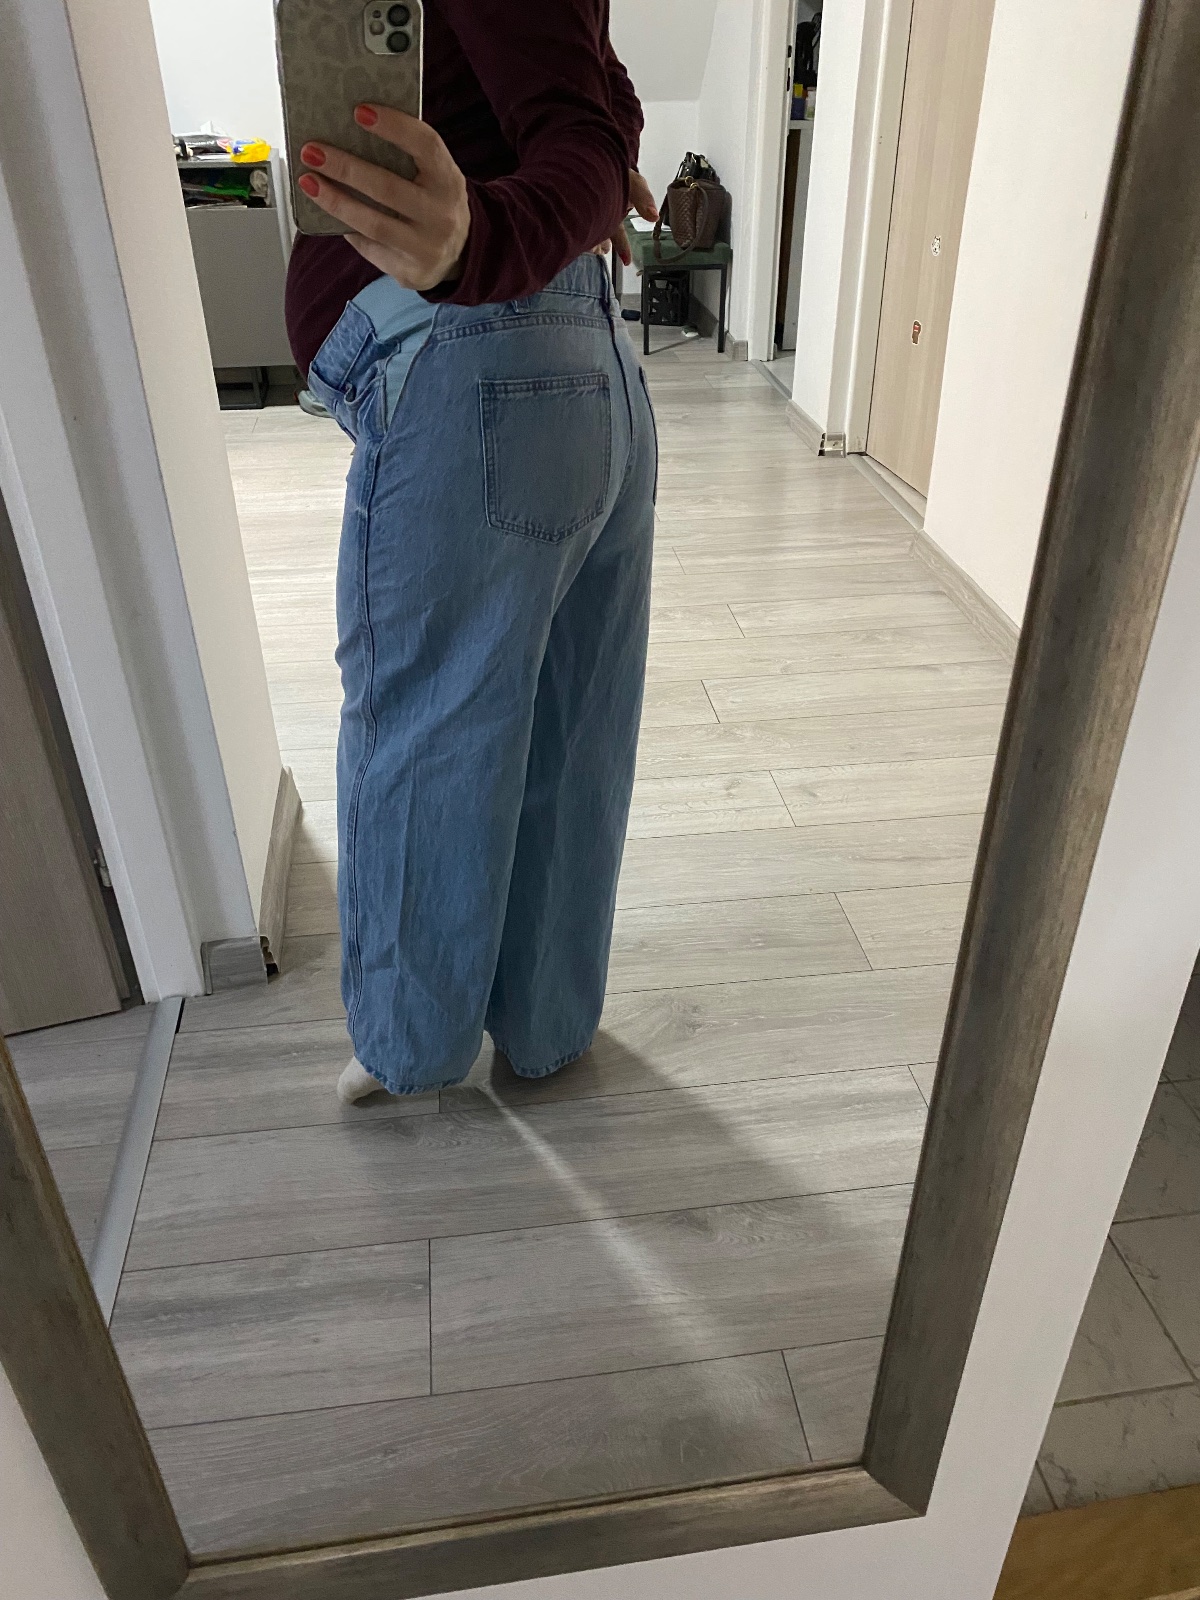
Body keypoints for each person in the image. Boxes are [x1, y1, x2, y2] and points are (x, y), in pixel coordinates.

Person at [283, 2, 659, 1104]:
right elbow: (598, 103)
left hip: (478, 361)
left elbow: (581, 134)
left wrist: (478, 241)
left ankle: (412, 1047)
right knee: (574, 722)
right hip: (584, 361)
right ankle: (548, 1024)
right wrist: (582, 186)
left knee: (430, 724)